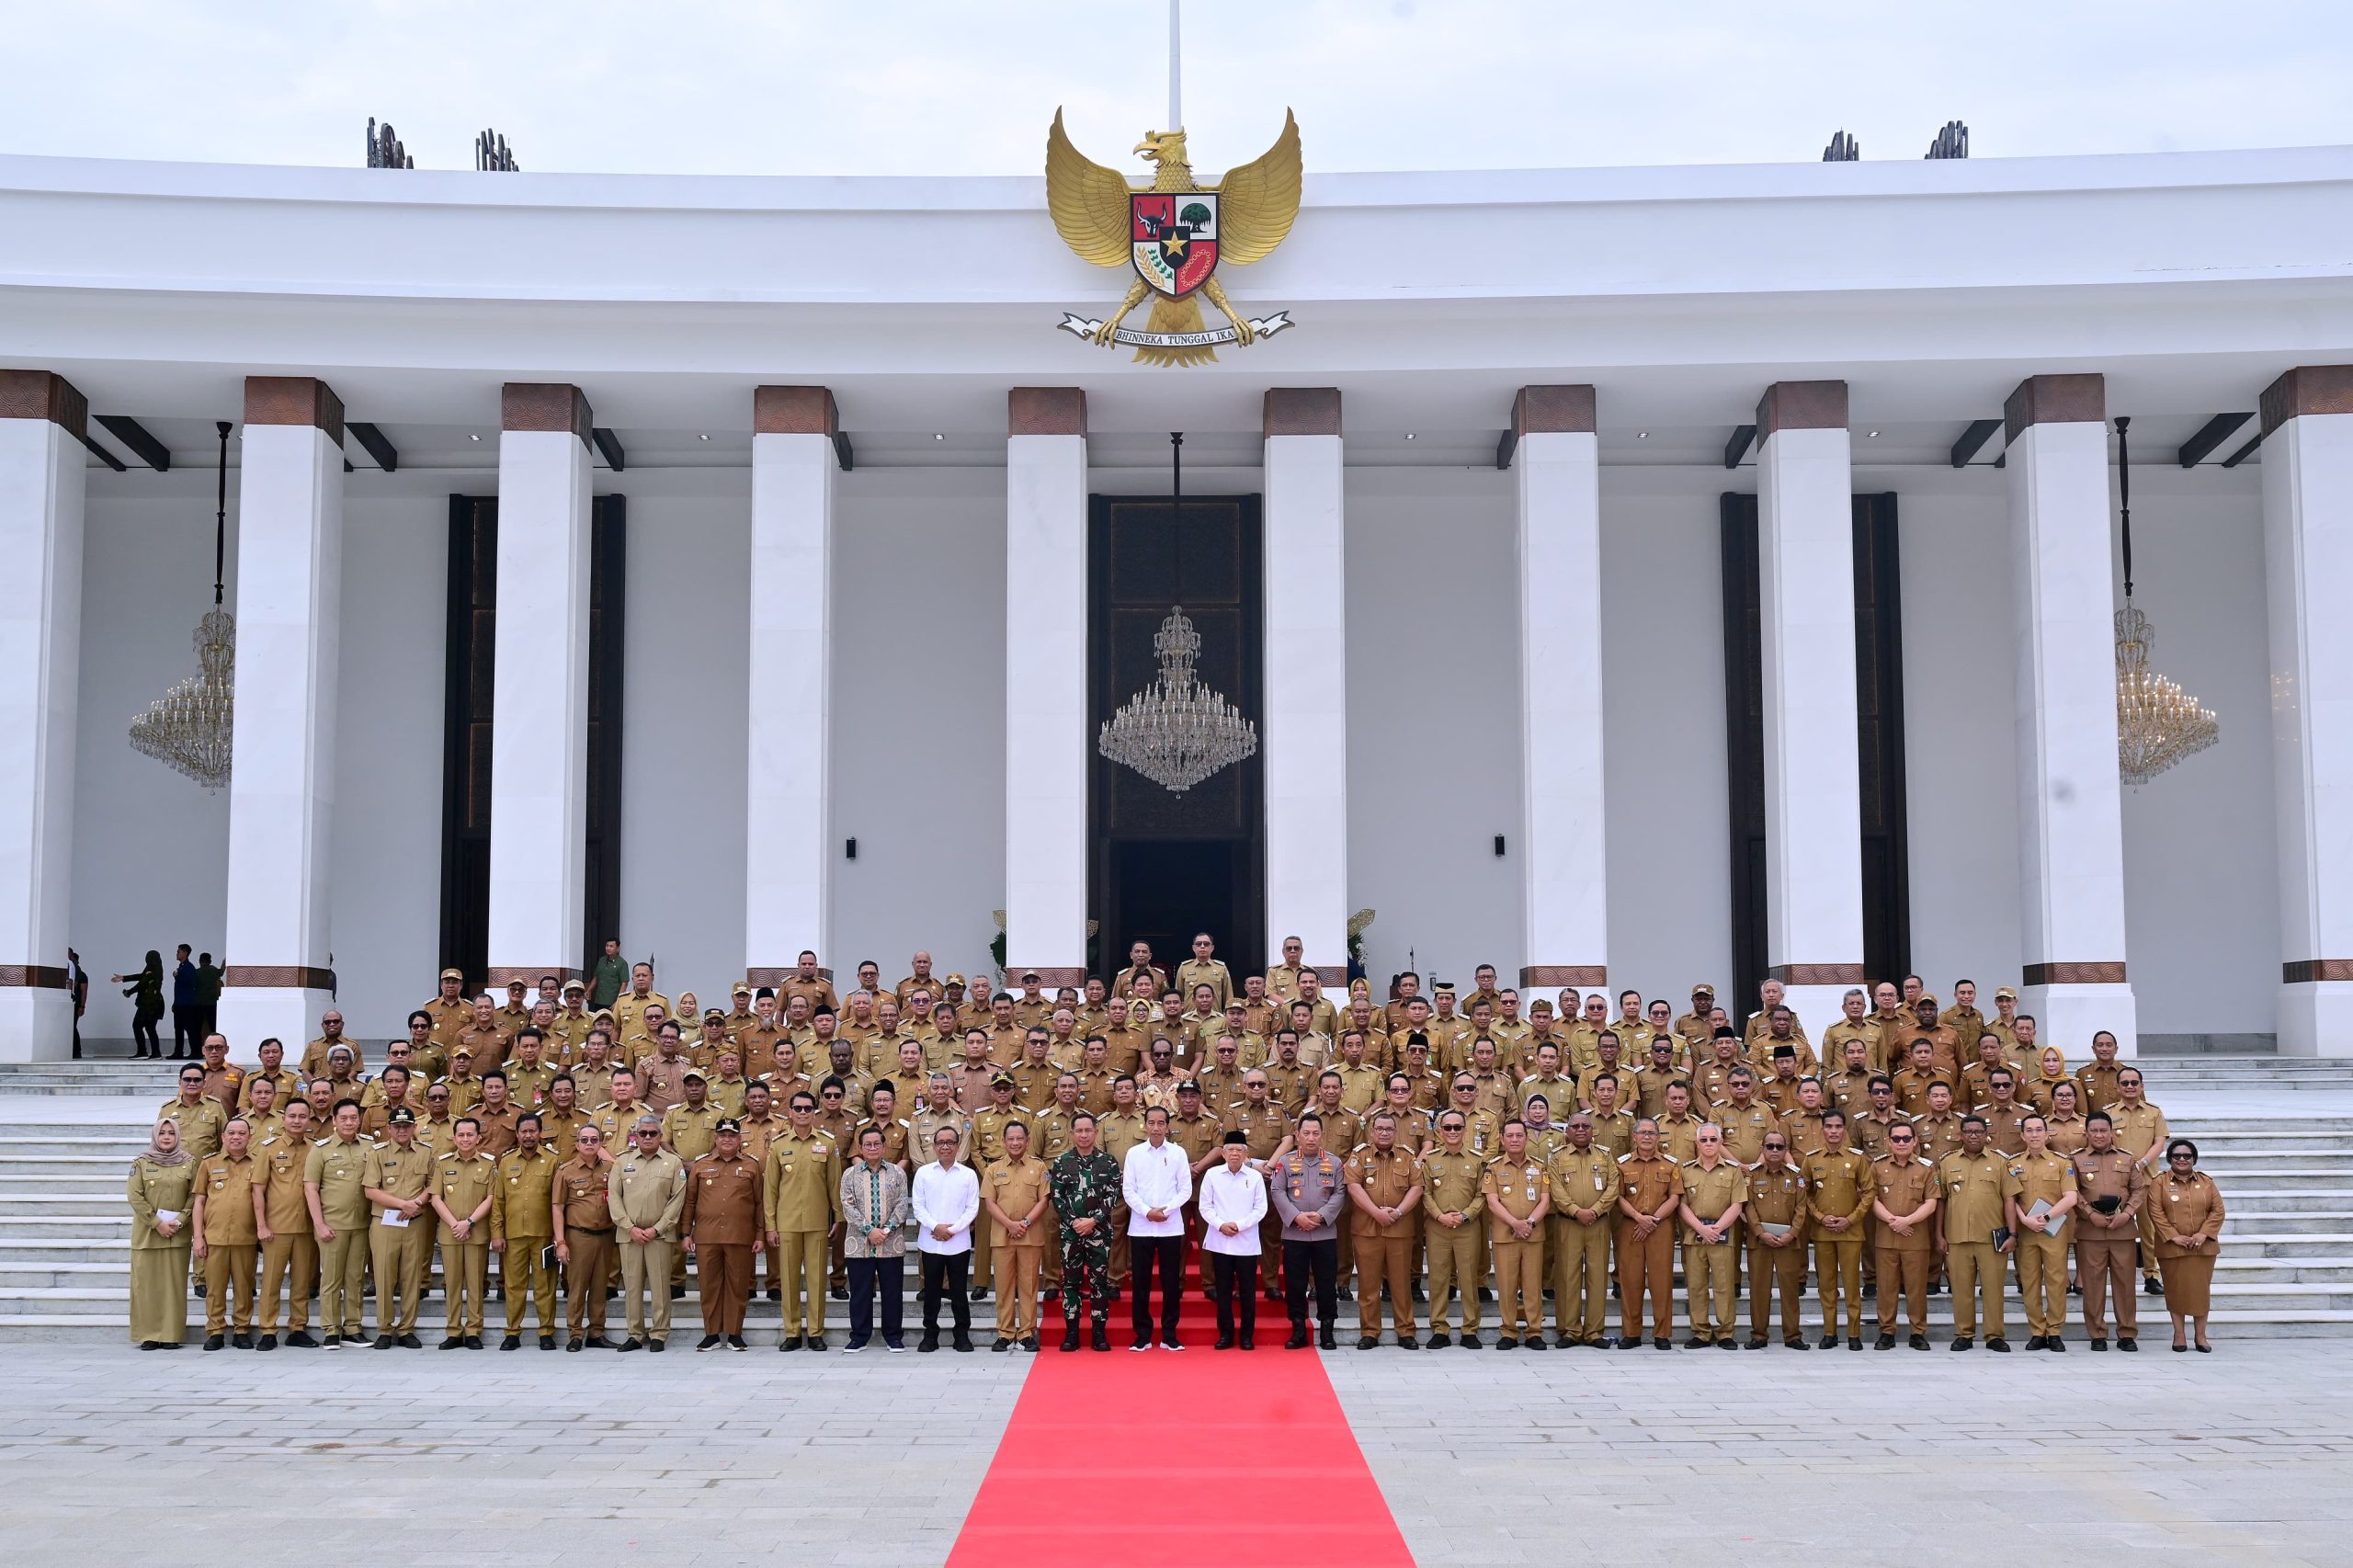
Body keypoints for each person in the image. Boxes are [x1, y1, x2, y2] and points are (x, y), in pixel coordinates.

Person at [765, 1090, 843, 1351]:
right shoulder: (778, 1144)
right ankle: (793, 1332)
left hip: (817, 1221)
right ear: (790, 1112)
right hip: (786, 1223)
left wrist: (838, 1217)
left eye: (808, 1108)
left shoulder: (827, 1143)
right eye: (797, 1108)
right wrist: (770, 1225)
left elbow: (834, 1183)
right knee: (788, 1280)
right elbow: (771, 1190)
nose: (802, 1113)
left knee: (817, 1280)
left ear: (814, 1111)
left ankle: (816, 1331)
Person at [1938, 1115, 2019, 1351]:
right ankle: (1964, 1333)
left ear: (1986, 1134)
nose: (1974, 1136)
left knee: (1993, 1290)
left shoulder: (2001, 1162)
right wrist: (1939, 1235)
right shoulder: (1947, 1162)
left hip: (1992, 1238)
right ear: (1961, 1135)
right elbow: (1941, 1201)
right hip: (1957, 1237)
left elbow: (2009, 1200)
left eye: (1978, 1132)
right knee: (1961, 1290)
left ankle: (1994, 1335)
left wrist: (2013, 1234)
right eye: (1969, 1132)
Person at [1346, 1110, 1425, 1349]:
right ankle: (1370, 1331)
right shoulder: (1359, 1155)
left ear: (1395, 1132)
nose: (1383, 1133)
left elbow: (1417, 1187)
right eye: (1379, 1128)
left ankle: (1405, 1331)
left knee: (1401, 1284)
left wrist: (1398, 1212)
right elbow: (1353, 1186)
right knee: (1368, 1285)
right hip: (1367, 1230)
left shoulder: (1408, 1156)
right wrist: (1375, 1212)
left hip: (1399, 1230)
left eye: (1388, 1129)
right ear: (1371, 1131)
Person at [2071, 1110, 2148, 1352]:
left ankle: (2126, 1333)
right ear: (2086, 1133)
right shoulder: (2076, 1159)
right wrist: (2090, 1214)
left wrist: (2126, 1214)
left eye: (2103, 1130)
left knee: (2125, 1284)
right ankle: (2097, 1334)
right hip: (2090, 1231)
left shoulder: (2127, 1158)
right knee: (2092, 1286)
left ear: (2112, 1132)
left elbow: (2140, 1189)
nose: (2099, 1135)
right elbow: (2072, 1192)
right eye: (2093, 1130)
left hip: (2122, 1230)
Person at [1268, 1114, 1347, 1349]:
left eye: (1315, 1133)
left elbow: (1340, 1193)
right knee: (1295, 1283)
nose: (1311, 1138)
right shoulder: (1285, 1161)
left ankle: (1327, 1331)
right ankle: (1298, 1330)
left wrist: (1322, 1216)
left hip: (1325, 1233)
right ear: (1298, 1136)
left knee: (1325, 1283)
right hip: (1295, 1234)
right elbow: (1277, 1191)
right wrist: (1296, 1217)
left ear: (1323, 1136)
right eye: (1306, 1133)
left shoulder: (1334, 1163)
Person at [685, 1119, 764, 1351]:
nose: (727, 1139)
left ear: (740, 1140)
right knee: (709, 1286)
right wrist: (685, 1233)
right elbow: (690, 1202)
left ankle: (734, 1333)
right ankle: (711, 1333)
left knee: (737, 1286)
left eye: (731, 1135)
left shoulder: (751, 1166)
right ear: (715, 1139)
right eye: (722, 1135)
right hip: (706, 1236)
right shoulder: (701, 1165)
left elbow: (760, 1203)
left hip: (740, 1236)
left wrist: (760, 1234)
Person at [609, 1118, 687, 1352]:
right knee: (632, 1287)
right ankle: (635, 1334)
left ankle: (659, 1334)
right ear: (636, 1135)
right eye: (643, 1133)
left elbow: (677, 1200)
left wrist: (657, 1228)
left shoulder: (673, 1163)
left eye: (653, 1133)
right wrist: (629, 1227)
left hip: (660, 1236)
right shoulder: (622, 1162)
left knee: (660, 1286)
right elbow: (614, 1197)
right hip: (629, 1235)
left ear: (661, 1135)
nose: (648, 1137)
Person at [361, 1108, 436, 1348]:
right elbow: (370, 1190)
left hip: (415, 1222)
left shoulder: (426, 1153)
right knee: (383, 1276)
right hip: (385, 1222)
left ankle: (406, 1329)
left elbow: (433, 1185)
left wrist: (416, 1204)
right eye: (397, 1126)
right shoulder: (377, 1153)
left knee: (412, 1277)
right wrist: (402, 1204)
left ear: (414, 1127)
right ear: (389, 1129)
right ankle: (384, 1329)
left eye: (406, 1126)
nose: (402, 1130)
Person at [1047, 1112, 1120, 1352]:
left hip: (1099, 1233)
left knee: (1099, 1283)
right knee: (1071, 1284)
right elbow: (1057, 1197)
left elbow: (1112, 1195)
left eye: (1089, 1130)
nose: (1084, 1135)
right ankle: (1072, 1334)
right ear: (1072, 1134)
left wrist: (1093, 1220)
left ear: (1096, 1133)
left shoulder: (1108, 1162)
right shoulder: (1061, 1162)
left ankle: (1099, 1334)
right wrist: (1075, 1222)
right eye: (1079, 1131)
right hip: (1071, 1234)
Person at [1802, 1110, 1875, 1350]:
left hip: (1850, 1233)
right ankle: (1830, 1332)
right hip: (1823, 1233)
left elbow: (1868, 1192)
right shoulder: (1811, 1159)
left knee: (1852, 1285)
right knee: (1827, 1285)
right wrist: (1821, 1218)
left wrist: (1850, 1219)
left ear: (1844, 1130)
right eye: (1829, 1126)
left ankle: (1854, 1334)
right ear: (1822, 1129)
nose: (1833, 1131)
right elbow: (1805, 1194)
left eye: (1838, 1127)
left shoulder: (1857, 1159)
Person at [1123, 1105, 1193, 1350]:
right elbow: (1128, 1189)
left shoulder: (1178, 1153)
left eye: (1160, 1123)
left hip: (1170, 1226)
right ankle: (1142, 1335)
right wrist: (1147, 1211)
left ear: (1167, 1126)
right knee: (1140, 1282)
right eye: (1151, 1122)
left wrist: (1166, 1210)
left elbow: (1186, 1189)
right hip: (1141, 1227)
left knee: (1171, 1282)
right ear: (1144, 1125)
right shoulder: (1134, 1153)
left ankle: (1169, 1335)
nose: (1155, 1127)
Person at [491, 1112, 563, 1350]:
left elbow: (559, 1201)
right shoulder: (506, 1161)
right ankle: (512, 1332)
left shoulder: (553, 1161)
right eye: (524, 1131)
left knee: (545, 1285)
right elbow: (498, 1201)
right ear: (517, 1134)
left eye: (533, 1131)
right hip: (514, 1236)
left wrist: (558, 1236)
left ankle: (546, 1332)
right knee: (514, 1287)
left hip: (543, 1235)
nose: (529, 1135)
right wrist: (497, 1233)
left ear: (540, 1133)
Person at [302, 1098, 371, 1346]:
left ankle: (353, 1326)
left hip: (361, 1224)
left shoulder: (370, 1147)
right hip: (332, 1224)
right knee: (331, 1279)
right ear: (334, 1120)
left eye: (354, 1118)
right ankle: (331, 1328)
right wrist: (319, 1224)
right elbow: (310, 1189)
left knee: (355, 1278)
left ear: (359, 1120)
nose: (349, 1122)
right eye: (344, 1118)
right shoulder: (321, 1150)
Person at [838, 1124, 912, 1353]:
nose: (872, 1148)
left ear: (884, 1146)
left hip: (890, 1243)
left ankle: (893, 1336)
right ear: (860, 1148)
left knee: (892, 1291)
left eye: (876, 1144)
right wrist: (870, 1230)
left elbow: (902, 1204)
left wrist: (886, 1230)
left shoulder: (897, 1173)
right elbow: (847, 1205)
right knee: (860, 1292)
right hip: (860, 1244)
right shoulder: (850, 1174)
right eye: (867, 1144)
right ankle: (859, 1336)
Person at [251, 1096, 318, 1349]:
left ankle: (297, 1328)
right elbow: (257, 1190)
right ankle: (268, 1330)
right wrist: (261, 1225)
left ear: (309, 1119)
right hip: (276, 1228)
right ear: (284, 1118)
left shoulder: (316, 1149)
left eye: (302, 1116)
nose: (297, 1120)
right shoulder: (268, 1148)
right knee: (271, 1281)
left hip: (305, 1228)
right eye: (292, 1116)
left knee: (302, 1281)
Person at [190, 1115, 261, 1349]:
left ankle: (242, 1330)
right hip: (215, 1238)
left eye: (242, 1133)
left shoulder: (258, 1163)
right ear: (223, 1137)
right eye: (231, 1133)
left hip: (246, 1237)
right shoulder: (208, 1163)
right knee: (215, 1288)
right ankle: (216, 1330)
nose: (236, 1137)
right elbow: (199, 1202)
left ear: (250, 1137)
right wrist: (198, 1237)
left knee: (244, 1287)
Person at [429, 1116, 498, 1349]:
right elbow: (436, 1198)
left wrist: (468, 1222)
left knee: (476, 1284)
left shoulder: (489, 1164)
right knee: (452, 1283)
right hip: (451, 1234)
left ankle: (473, 1331)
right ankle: (453, 1330)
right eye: (461, 1135)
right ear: (454, 1137)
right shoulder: (443, 1162)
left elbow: (491, 1197)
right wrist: (455, 1224)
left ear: (478, 1137)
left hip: (476, 1232)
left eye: (470, 1135)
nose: (465, 1139)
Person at [2009, 1113, 2078, 1351]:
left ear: (2047, 1134)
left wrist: (2048, 1217)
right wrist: (2024, 1220)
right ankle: (2037, 1331)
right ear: (2022, 1135)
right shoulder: (2013, 1164)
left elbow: (2071, 1197)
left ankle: (2055, 1331)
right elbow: (2010, 1198)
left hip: (2053, 1230)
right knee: (2029, 1282)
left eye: (2039, 1130)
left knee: (2056, 1281)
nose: (2034, 1134)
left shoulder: (2061, 1162)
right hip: (2027, 1231)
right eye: (2029, 1130)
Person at [127, 1118, 197, 1348]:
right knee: (146, 1287)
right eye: (162, 1133)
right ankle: (149, 1335)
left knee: (173, 1288)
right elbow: (135, 1196)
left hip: (177, 1234)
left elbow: (195, 1194)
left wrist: (181, 1220)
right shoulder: (141, 1163)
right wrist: (157, 1223)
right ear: (155, 1137)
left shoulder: (189, 1163)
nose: (167, 1137)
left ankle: (170, 1335)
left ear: (178, 1137)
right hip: (148, 1235)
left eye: (171, 1133)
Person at [1676, 1121, 1744, 1350]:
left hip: (1722, 1236)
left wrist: (1715, 1229)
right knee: (1696, 1285)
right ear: (1697, 1142)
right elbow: (1682, 1205)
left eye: (1713, 1139)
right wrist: (1701, 1229)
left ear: (1720, 1142)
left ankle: (1725, 1332)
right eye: (1703, 1139)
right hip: (1694, 1236)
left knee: (1724, 1285)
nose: (1708, 1144)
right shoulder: (1686, 1170)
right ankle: (1701, 1331)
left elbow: (1737, 1205)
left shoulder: (1733, 1171)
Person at [1484, 1119, 1552, 1349]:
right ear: (1502, 1139)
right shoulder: (1493, 1167)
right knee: (1506, 1284)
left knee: (1533, 1285)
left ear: (1526, 1138)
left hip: (1533, 1235)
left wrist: (1529, 1223)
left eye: (1519, 1135)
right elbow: (1492, 1201)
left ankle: (1534, 1331)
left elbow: (1545, 1199)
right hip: (1506, 1235)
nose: (1514, 1139)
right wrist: (1514, 1223)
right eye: (1510, 1135)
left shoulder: (1540, 1166)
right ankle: (1509, 1331)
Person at [982, 1119, 1049, 1351]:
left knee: (1029, 1286)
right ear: (1003, 1141)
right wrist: (1010, 1224)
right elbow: (989, 1203)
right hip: (1002, 1236)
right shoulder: (993, 1169)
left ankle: (1027, 1332)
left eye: (1020, 1138)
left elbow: (1044, 1200)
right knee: (1004, 1286)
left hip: (1031, 1236)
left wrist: (1025, 1222)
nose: (1015, 1142)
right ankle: (1005, 1332)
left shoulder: (1039, 1167)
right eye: (1010, 1138)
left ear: (1028, 1141)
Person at [1870, 1122, 1939, 1349]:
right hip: (1886, 1238)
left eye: (1906, 1138)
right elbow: (1871, 1199)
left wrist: (1907, 1221)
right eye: (1896, 1139)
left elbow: (1931, 1202)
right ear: (1888, 1141)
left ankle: (1918, 1332)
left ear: (1915, 1141)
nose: (1901, 1143)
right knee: (1886, 1288)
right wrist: (1893, 1221)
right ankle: (1887, 1332)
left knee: (1916, 1288)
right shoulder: (1877, 1167)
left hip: (1915, 1239)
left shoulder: (1926, 1168)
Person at [1615, 1118, 1681, 1351]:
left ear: (1658, 1137)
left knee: (1661, 1281)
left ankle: (1661, 1333)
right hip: (1631, 1226)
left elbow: (1674, 1197)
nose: (1646, 1137)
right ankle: (1631, 1333)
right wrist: (1639, 1218)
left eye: (1651, 1133)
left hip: (1660, 1227)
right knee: (1631, 1281)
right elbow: (1618, 1196)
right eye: (1642, 1133)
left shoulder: (1671, 1165)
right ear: (1633, 1136)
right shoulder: (1622, 1164)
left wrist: (1653, 1220)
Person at [2153, 1138, 2224, 1353]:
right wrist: (2174, 1236)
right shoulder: (2159, 1183)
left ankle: (2201, 1336)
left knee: (2201, 1292)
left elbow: (2217, 1211)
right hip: (2172, 1248)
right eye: (2177, 1156)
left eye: (2187, 1156)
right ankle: (2179, 1334)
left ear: (2194, 1159)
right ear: (2169, 1159)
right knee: (2175, 1291)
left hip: (2202, 1248)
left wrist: (2203, 1234)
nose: (2182, 1159)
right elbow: (2155, 1212)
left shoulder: (2206, 1182)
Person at [912, 1124, 979, 1352]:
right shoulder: (923, 1173)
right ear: (934, 1146)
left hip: (958, 1242)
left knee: (959, 1291)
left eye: (950, 1142)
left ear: (958, 1146)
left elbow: (972, 1209)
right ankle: (930, 1334)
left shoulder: (968, 1175)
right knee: (931, 1292)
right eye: (941, 1142)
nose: (945, 1147)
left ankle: (962, 1334)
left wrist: (953, 1230)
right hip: (930, 1242)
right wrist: (936, 1227)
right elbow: (918, 1207)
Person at [1200, 1130, 1269, 1349]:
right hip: (1220, 1240)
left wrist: (1239, 1226)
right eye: (1230, 1149)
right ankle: (1226, 1334)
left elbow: (1261, 1208)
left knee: (1248, 1292)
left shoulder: (1255, 1177)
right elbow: (1205, 1206)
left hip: (1246, 1242)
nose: (1234, 1154)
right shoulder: (1212, 1175)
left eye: (1239, 1150)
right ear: (1222, 1152)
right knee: (1223, 1291)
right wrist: (1221, 1224)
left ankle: (1247, 1336)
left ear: (1246, 1154)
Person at [551, 1123, 618, 1350]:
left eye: (594, 1140)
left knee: (601, 1286)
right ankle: (575, 1333)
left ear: (601, 1143)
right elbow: (557, 1207)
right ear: (577, 1144)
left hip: (606, 1235)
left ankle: (597, 1332)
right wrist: (560, 1242)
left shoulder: (611, 1168)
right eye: (584, 1140)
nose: (589, 1144)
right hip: (578, 1236)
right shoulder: (566, 1171)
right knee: (577, 1287)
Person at [115, 950, 165, 1057]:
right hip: (156, 1003)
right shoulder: (156, 969)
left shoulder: (151, 971)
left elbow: (141, 984)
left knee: (137, 1025)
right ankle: (156, 1053)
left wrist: (129, 992)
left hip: (148, 1004)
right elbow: (141, 977)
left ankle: (143, 1051)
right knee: (150, 1028)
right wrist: (124, 978)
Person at [169, 944, 199, 1058]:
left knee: (190, 1029)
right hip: (180, 1003)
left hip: (187, 1004)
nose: (177, 954)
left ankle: (195, 1052)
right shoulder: (182, 967)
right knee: (179, 1029)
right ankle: (178, 1052)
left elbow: (191, 983)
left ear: (185, 953)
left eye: (179, 952)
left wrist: (178, 976)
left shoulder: (188, 967)